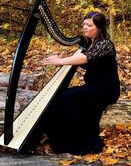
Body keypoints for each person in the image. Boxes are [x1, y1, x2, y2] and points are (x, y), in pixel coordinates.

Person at [31, 11, 120, 155]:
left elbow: (85, 59)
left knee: (68, 97)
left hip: (105, 89)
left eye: (89, 25)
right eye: (84, 24)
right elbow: (83, 62)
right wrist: (65, 59)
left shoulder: (105, 44)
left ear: (99, 27)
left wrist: (60, 61)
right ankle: (62, 137)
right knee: (64, 95)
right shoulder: (90, 43)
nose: (85, 27)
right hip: (92, 87)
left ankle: (73, 142)